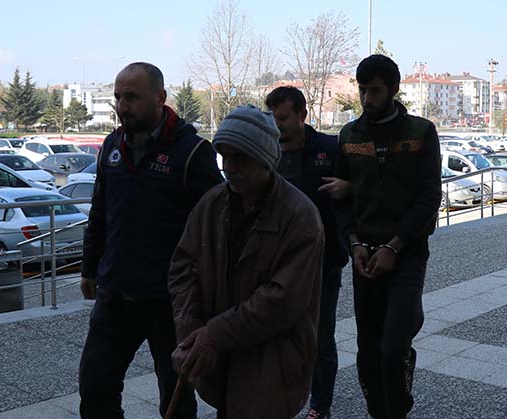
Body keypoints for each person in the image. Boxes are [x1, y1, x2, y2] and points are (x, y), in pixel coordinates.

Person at [78, 62, 224, 419]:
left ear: (160, 98)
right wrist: (89, 267)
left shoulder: (192, 152)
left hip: (170, 302)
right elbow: (100, 211)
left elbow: (216, 227)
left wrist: (205, 295)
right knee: (95, 388)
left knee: (175, 400)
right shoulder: (112, 146)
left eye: (132, 97)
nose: (122, 106)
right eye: (118, 97)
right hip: (115, 295)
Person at [168, 104, 325, 419]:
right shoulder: (212, 204)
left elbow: (283, 300)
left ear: (265, 160)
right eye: (225, 157)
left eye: (241, 158)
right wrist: (191, 330)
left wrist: (214, 334)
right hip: (221, 362)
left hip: (273, 361)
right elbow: (183, 268)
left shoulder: (300, 217)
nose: (229, 167)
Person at [333, 55, 441, 419]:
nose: (367, 99)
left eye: (375, 91)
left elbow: (429, 197)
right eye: (362, 90)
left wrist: (395, 247)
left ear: (394, 89)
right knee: (367, 354)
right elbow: (340, 199)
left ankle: (397, 409)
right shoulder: (349, 136)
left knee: (393, 350)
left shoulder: (421, 132)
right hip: (364, 255)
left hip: (407, 254)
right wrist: (353, 243)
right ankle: (378, 411)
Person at [265, 86, 349, 419]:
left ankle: (320, 404)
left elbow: (362, 186)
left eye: (283, 117)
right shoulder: (267, 151)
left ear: (303, 115)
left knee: (320, 335)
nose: (277, 124)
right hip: (277, 261)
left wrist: (350, 187)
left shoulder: (330, 148)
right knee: (277, 331)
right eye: (273, 118)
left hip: (324, 262)